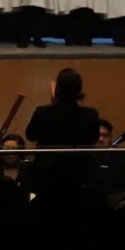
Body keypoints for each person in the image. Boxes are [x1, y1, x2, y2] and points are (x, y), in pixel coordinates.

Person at [24, 67, 101, 200]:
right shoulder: (90, 114)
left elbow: (30, 135)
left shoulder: (43, 112)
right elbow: (93, 139)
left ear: (57, 89)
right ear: (79, 90)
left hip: (48, 174)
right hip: (79, 174)